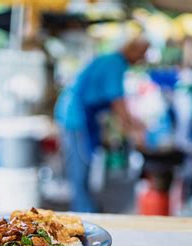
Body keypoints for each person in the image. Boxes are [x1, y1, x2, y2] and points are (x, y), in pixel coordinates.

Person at [54, 37, 150, 212]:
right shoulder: (115, 63)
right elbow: (117, 102)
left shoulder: (113, 61)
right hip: (76, 117)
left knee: (85, 168)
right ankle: (83, 214)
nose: (142, 59)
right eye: (142, 54)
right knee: (79, 172)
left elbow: (115, 103)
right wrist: (134, 131)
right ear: (133, 50)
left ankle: (86, 208)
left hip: (84, 117)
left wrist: (134, 123)